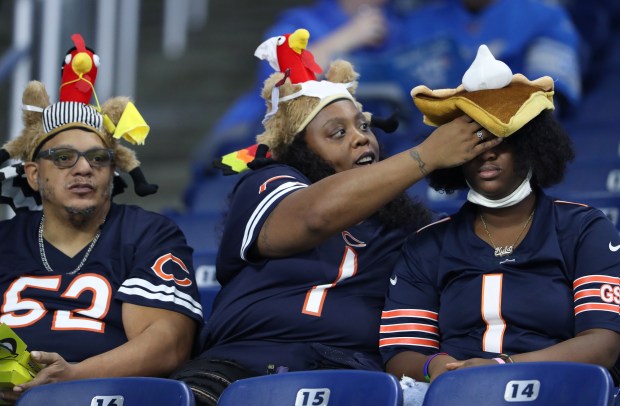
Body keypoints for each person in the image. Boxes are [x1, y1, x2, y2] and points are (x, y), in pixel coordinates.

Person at [169, 28, 503, 404]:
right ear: (300, 151)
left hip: (351, 379)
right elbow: (312, 218)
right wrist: (424, 156)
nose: (361, 138)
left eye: (363, 126)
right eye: (337, 133)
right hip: (237, 371)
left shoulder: (408, 227)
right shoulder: (269, 181)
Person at [379, 45, 620, 403]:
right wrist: (438, 366)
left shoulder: (584, 228)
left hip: (558, 390)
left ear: (532, 146)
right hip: (454, 394)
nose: (487, 152)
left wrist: (504, 367)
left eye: (501, 139)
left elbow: (603, 343)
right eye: (475, 140)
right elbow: (401, 354)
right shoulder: (426, 245)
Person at [0, 34, 203, 402]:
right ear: (33, 174)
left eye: (98, 158)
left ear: (114, 173)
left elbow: (169, 344)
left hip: (106, 396)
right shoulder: (4, 238)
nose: (83, 169)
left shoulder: (147, 233)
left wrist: (73, 377)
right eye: (63, 157)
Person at [186, 0, 414, 206]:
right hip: (259, 134)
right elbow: (279, 77)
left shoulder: (404, 24)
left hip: (368, 141)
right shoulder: (300, 22)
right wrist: (350, 36)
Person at [391, 0, 583, 120]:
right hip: (428, 137)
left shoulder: (542, 14)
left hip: (512, 132)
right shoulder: (418, 22)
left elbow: (547, 98)